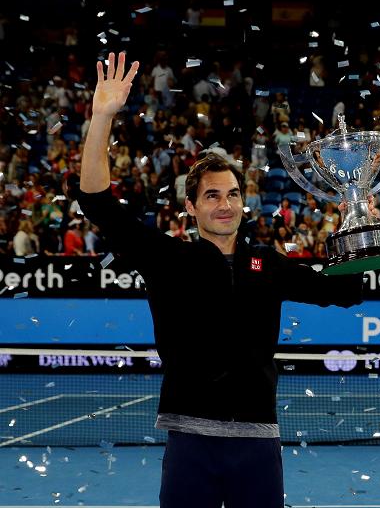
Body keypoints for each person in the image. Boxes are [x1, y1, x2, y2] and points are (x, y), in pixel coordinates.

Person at [75, 52, 363, 508]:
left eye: (232, 193)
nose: (225, 204)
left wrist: (376, 231)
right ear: (191, 207)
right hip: (190, 442)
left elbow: (344, 290)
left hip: (258, 441)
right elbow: (96, 201)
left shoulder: (269, 265)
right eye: (212, 195)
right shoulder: (168, 259)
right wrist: (102, 116)